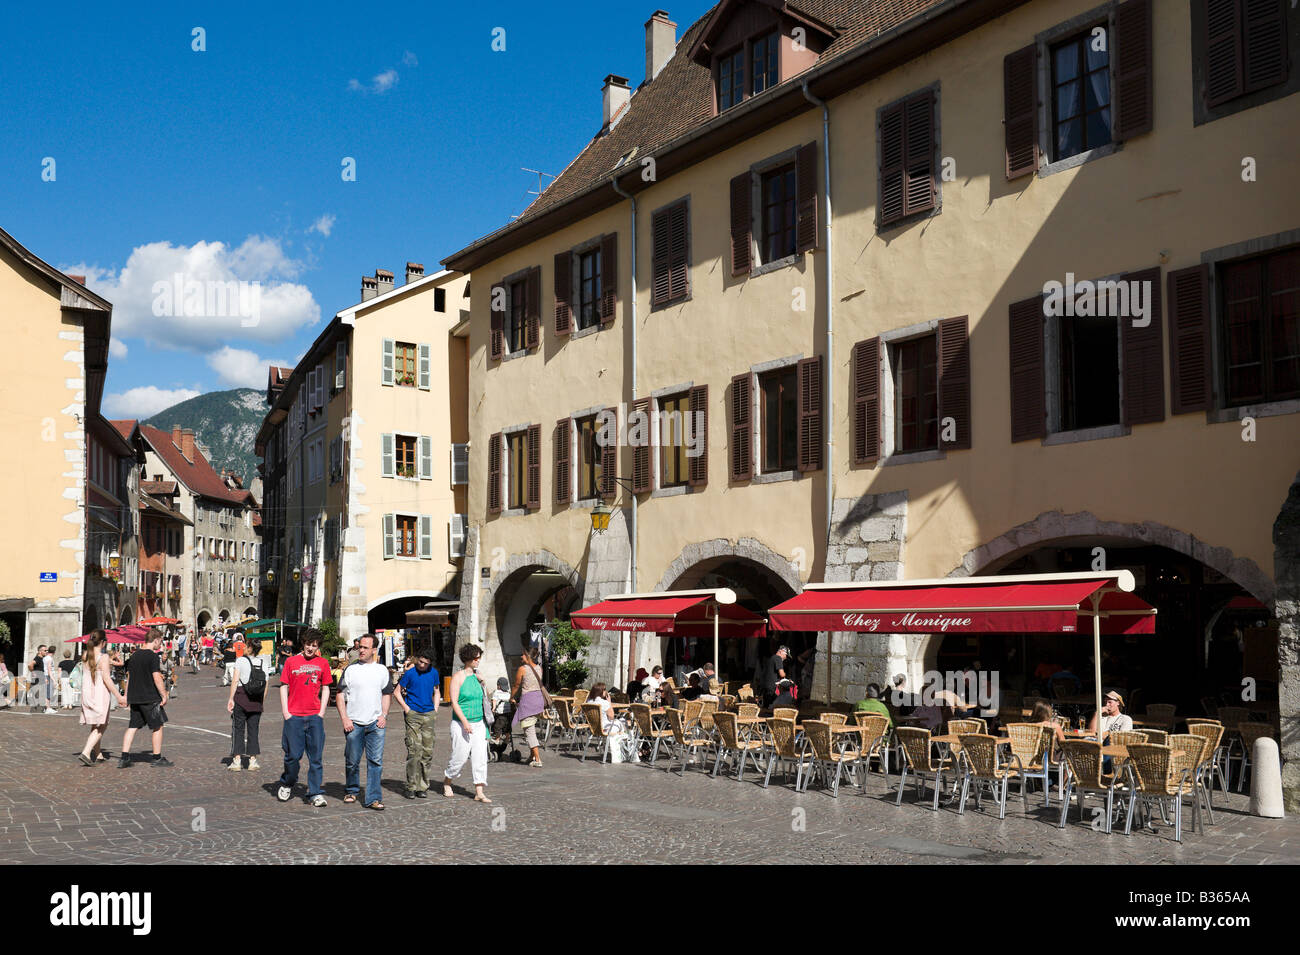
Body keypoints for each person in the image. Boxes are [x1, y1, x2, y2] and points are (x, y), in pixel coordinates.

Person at [276, 629, 333, 806]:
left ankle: (315, 792)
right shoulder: (291, 662)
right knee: (293, 755)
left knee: (316, 758)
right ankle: (287, 782)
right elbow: (283, 686)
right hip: (294, 716)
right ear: (303, 644)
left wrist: (321, 711)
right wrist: (286, 712)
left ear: (318, 647)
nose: (310, 648)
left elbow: (326, 688)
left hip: (314, 716)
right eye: (308, 644)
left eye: (314, 646)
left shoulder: (323, 663)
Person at [336, 633, 392, 810]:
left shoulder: (382, 670)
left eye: (365, 647)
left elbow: (387, 694)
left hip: (375, 724)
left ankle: (374, 798)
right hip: (354, 723)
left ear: (374, 650)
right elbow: (339, 695)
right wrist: (345, 718)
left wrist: (384, 715)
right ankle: (352, 790)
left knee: (375, 761)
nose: (361, 650)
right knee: (352, 760)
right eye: (360, 647)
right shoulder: (351, 670)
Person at [442, 643, 491, 803]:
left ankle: (479, 791)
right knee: (460, 756)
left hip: (479, 723)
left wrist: (484, 682)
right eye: (476, 658)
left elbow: (485, 698)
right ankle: (448, 780)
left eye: (479, 657)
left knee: (480, 757)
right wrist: (464, 722)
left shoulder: (478, 676)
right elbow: (454, 702)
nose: (478, 661)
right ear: (468, 659)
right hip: (461, 723)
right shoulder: (458, 677)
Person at [118, 629, 172, 767]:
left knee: (133, 726)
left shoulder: (134, 655)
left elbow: (129, 677)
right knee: (158, 726)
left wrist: (126, 695)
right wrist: (164, 694)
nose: (161, 644)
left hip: (135, 697)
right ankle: (157, 757)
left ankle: (124, 757)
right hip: (150, 697)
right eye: (160, 641)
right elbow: (156, 677)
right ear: (155, 640)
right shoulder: (153, 656)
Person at [394, 648, 442, 798]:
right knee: (414, 750)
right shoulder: (410, 673)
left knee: (427, 752)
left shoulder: (433, 673)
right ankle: (410, 786)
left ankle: (422, 787)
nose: (422, 665)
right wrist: (407, 708)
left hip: (428, 714)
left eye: (425, 663)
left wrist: (435, 709)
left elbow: (437, 691)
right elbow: (397, 691)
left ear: (430, 663)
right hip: (413, 714)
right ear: (417, 659)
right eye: (420, 662)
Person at [77, 631, 127, 765]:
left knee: (96, 723)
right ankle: (86, 752)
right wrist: (119, 696)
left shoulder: (86, 655)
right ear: (104, 642)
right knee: (102, 724)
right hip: (100, 693)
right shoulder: (103, 657)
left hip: (88, 692)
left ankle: (97, 753)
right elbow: (106, 679)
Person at [227, 640, 267, 772]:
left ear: (249, 648)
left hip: (241, 696)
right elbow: (265, 685)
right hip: (256, 699)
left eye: (246, 645)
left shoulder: (240, 661)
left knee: (238, 729)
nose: (243, 647)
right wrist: (262, 701)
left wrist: (231, 698)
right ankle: (252, 761)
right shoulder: (263, 662)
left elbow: (235, 680)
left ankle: (237, 760)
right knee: (253, 730)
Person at [511, 649, 547, 768]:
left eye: (523, 654)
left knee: (529, 730)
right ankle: (532, 756)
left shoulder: (523, 669)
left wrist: (511, 697)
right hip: (538, 700)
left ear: (527, 656)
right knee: (530, 726)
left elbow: (516, 685)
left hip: (528, 701)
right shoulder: (539, 668)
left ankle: (537, 759)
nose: (521, 656)